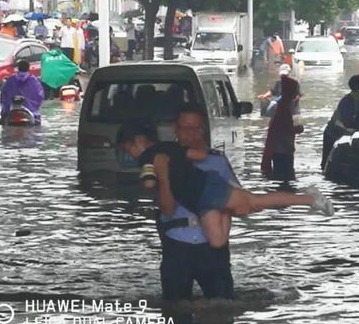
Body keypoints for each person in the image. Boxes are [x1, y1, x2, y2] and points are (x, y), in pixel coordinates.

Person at [119, 110, 332, 249]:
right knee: (219, 239)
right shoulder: (172, 148)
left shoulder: (148, 159)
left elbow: (148, 183)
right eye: (185, 129)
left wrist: (161, 172)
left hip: (207, 191)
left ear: (136, 142)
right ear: (175, 129)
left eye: (128, 149)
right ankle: (238, 202)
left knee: (254, 202)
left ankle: (309, 198)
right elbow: (200, 156)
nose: (129, 154)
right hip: (201, 199)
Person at [139, 104, 240, 301]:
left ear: (203, 128)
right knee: (174, 315)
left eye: (196, 128)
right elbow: (167, 209)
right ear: (174, 129)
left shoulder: (217, 161)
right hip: (177, 245)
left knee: (222, 312)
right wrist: (164, 175)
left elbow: (237, 202)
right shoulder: (162, 161)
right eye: (185, 128)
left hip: (212, 247)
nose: (191, 134)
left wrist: (221, 231)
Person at [261, 75, 304, 180]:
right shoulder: (284, 107)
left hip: (280, 148)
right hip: (282, 150)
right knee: (285, 179)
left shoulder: (283, 105)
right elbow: (284, 129)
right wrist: (298, 129)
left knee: (280, 178)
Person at [321, 74, 359, 169]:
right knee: (328, 165)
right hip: (333, 135)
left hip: (337, 134)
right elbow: (347, 122)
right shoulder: (349, 100)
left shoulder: (358, 99)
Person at [0, 59, 44, 125]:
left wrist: (5, 110)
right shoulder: (34, 80)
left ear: (18, 68)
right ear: (28, 68)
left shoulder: (10, 79)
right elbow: (40, 96)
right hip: (31, 112)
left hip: (10, 112)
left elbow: (3, 96)